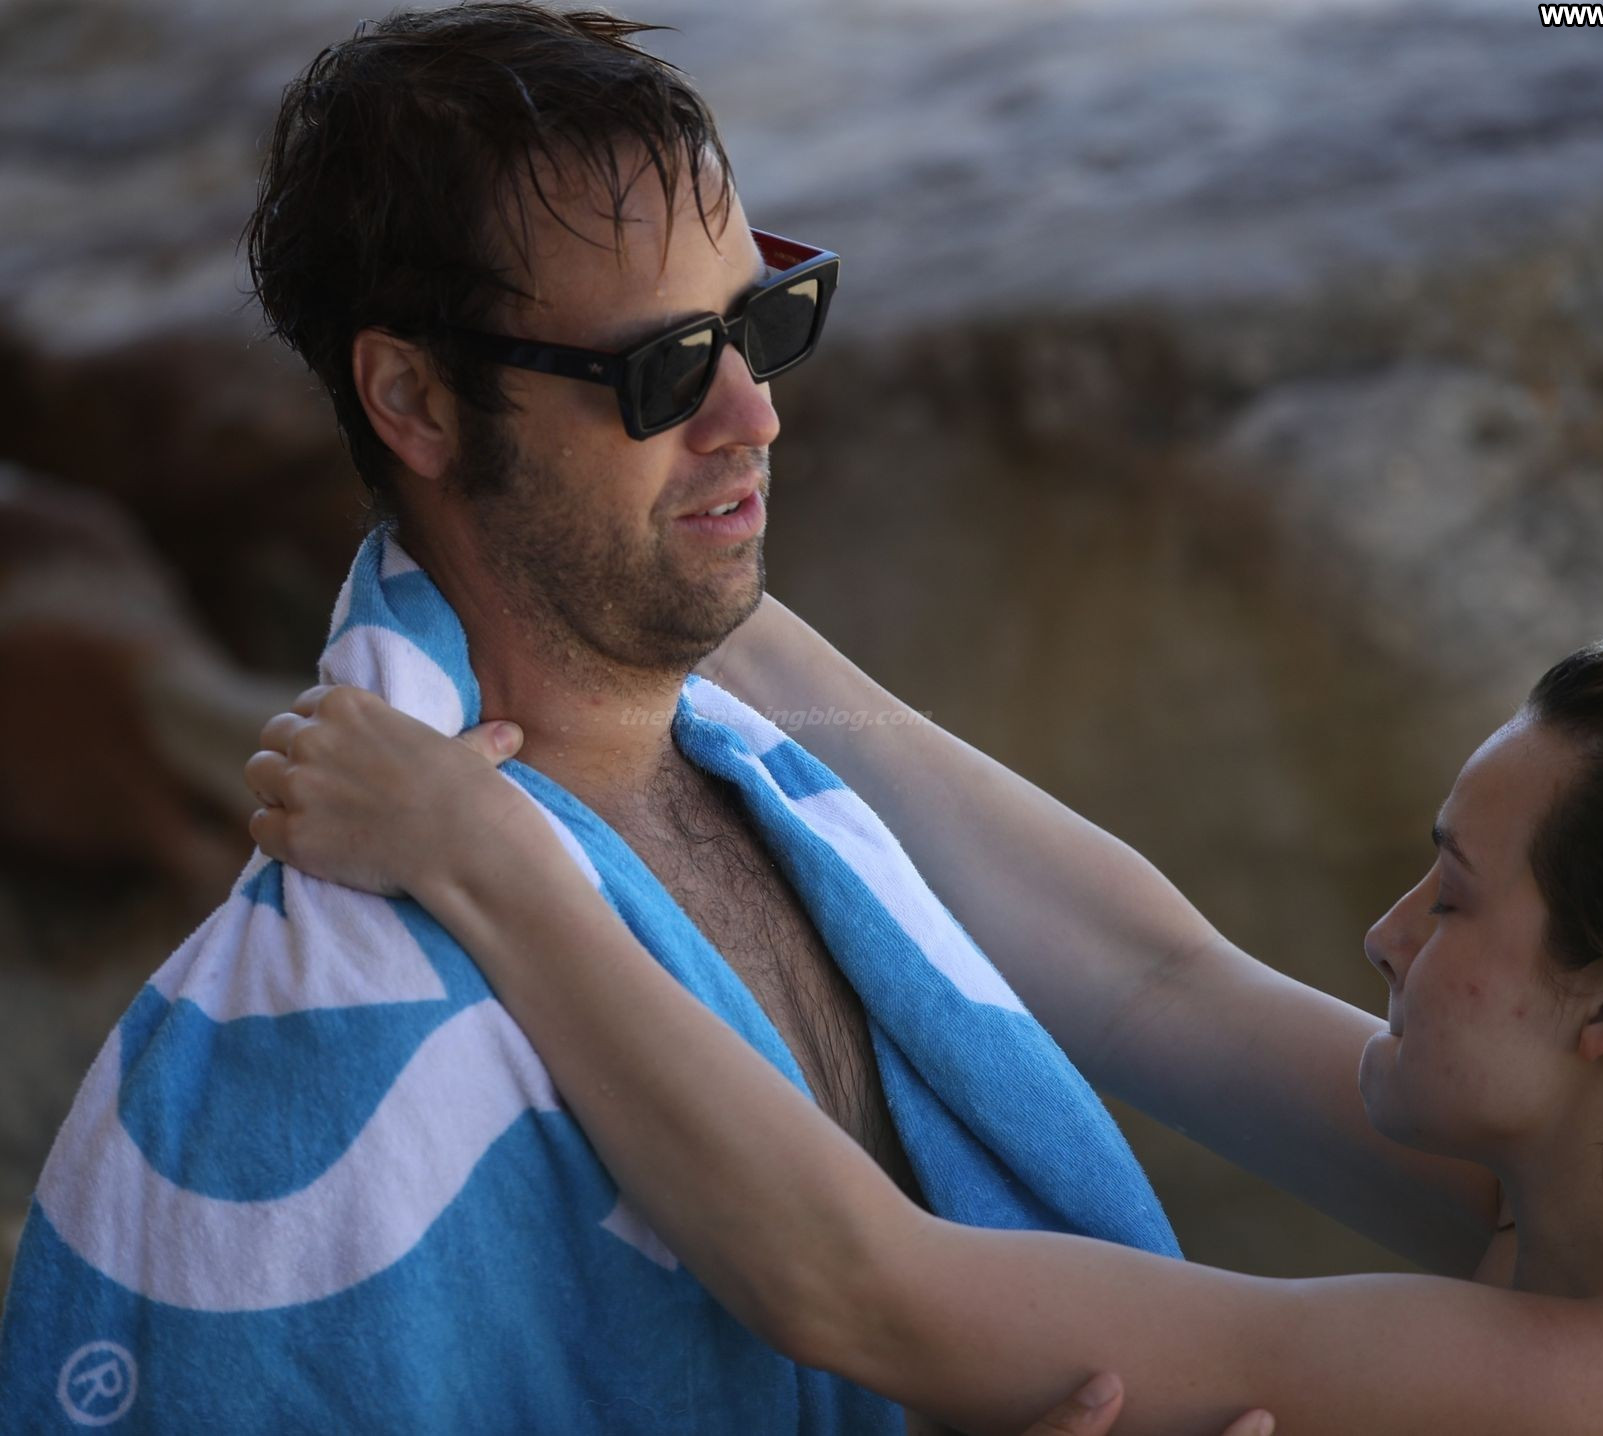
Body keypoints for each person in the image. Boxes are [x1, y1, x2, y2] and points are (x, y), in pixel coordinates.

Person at [0, 7, 1255, 1431]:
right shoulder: (320, 1046)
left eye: (762, 323)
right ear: (415, 399)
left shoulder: (782, 776)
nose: (754, 417)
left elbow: (1161, 977)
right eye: (662, 370)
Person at [246, 618, 1603, 1434]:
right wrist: (714, 604)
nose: (1385, 934)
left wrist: (485, 864)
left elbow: (856, 1287)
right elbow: (1153, 980)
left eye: (1457, 900)